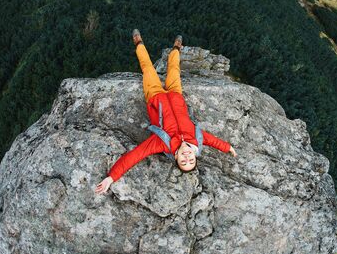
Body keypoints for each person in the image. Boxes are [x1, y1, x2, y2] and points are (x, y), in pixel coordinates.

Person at [95, 30, 237, 195]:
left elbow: (134, 156)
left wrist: (111, 177)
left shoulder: (162, 143)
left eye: (184, 162)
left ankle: (139, 44)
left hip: (155, 97)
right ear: (194, 155)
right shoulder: (197, 138)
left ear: (176, 159)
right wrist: (228, 148)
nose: (187, 157)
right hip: (176, 95)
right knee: (174, 70)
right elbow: (214, 141)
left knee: (148, 69)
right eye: (191, 159)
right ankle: (176, 48)